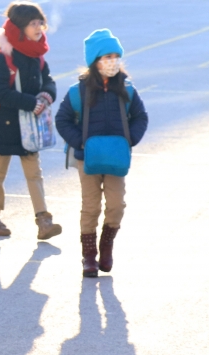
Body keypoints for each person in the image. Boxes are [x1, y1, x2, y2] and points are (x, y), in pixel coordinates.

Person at [55, 29, 148, 277]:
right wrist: (80, 143)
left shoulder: (127, 90)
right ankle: (88, 257)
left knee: (117, 204)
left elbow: (141, 117)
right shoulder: (78, 91)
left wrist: (130, 140)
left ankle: (106, 246)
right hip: (87, 159)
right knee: (91, 206)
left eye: (116, 55)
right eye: (107, 56)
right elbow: (62, 120)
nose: (113, 61)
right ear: (94, 61)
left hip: (116, 158)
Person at [0, 1, 62, 240]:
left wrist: (47, 95)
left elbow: (49, 80)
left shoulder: (37, 56)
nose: (38, 28)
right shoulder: (3, 58)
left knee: (34, 172)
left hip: (31, 127)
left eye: (40, 23)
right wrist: (30, 103)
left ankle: (43, 220)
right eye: (32, 24)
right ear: (18, 28)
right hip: (6, 125)